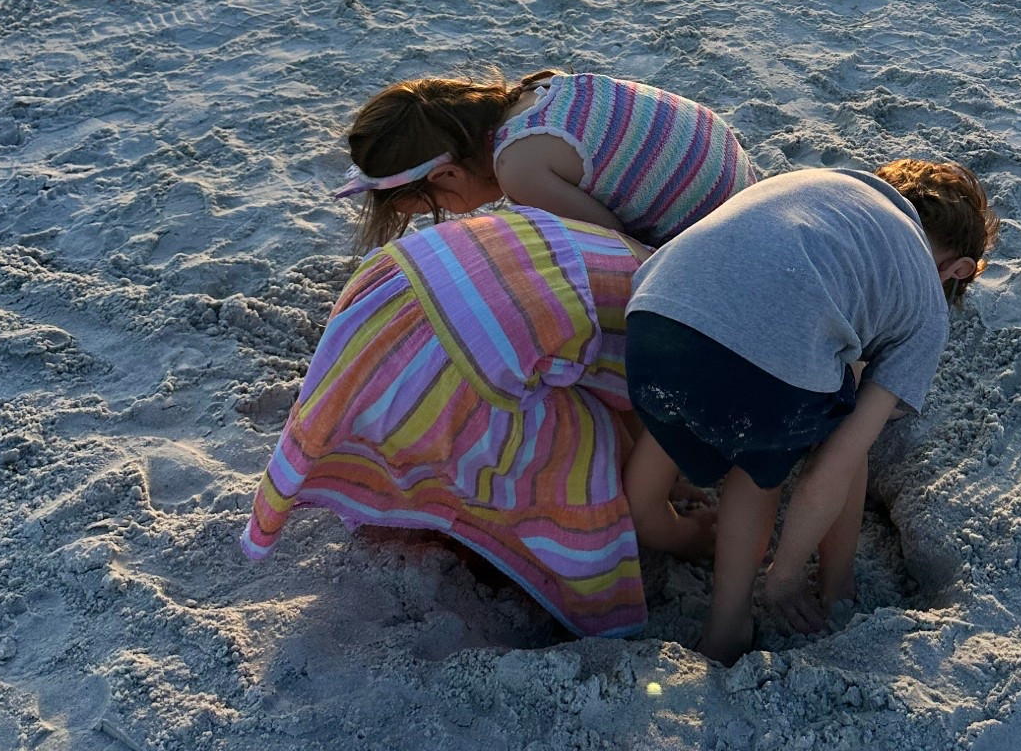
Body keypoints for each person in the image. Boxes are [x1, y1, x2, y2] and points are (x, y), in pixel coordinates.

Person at [242, 204, 710, 635]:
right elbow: (646, 511)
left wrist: (660, 473)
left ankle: (433, 509)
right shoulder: (690, 361)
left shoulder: (644, 260)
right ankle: (520, 562)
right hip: (464, 365)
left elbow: (605, 390)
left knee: (561, 408)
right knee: (576, 466)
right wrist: (688, 537)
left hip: (391, 294)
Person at [622, 159, 999, 665]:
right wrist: (784, 574)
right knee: (762, 461)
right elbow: (833, 468)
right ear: (958, 270)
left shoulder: (823, 184)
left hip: (649, 322)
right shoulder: (928, 300)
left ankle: (649, 513)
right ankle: (730, 623)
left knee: (709, 380)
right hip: (753, 367)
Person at [336, 69, 755, 252]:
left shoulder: (519, 167)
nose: (447, 212)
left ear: (446, 174)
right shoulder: (538, 91)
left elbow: (617, 248)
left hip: (716, 236)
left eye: (438, 206)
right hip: (740, 184)